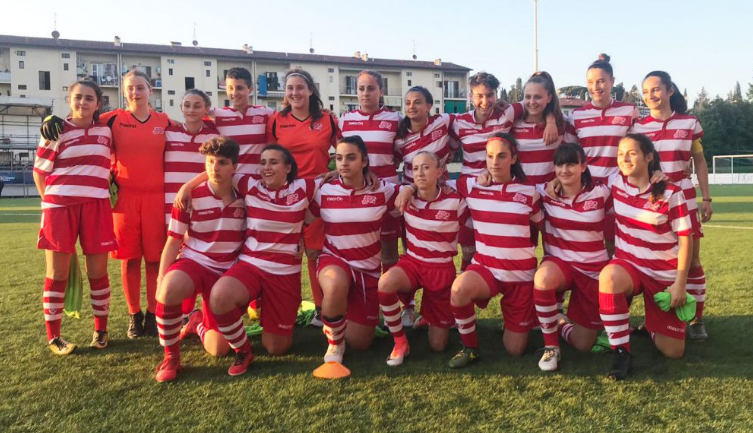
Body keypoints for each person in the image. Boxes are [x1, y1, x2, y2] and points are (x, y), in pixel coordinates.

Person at [41, 69, 172, 339]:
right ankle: (134, 316)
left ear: (150, 91)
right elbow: (79, 116)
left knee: (155, 259)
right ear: (123, 92)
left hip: (156, 199)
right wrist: (51, 119)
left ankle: (153, 314)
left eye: (140, 87)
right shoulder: (111, 119)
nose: (135, 92)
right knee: (129, 259)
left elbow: (191, 125)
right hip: (124, 200)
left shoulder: (165, 121)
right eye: (130, 88)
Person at [208, 145, 319, 376]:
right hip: (251, 265)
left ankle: (268, 315)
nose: (266, 167)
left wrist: (303, 228)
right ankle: (242, 350)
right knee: (219, 297)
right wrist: (186, 188)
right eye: (263, 162)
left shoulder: (305, 187)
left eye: (273, 162)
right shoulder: (249, 184)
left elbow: (338, 179)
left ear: (288, 168)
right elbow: (218, 172)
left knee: (277, 348)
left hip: (285, 273)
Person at [444, 132, 542, 368]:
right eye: (490, 156)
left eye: (501, 156)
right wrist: (407, 190)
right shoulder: (471, 185)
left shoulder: (530, 192)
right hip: (486, 269)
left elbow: (544, 228)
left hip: (520, 277)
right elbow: (434, 182)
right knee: (459, 289)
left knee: (515, 350)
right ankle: (470, 348)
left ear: (514, 158)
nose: (494, 162)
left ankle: (527, 319)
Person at [598, 134, 692, 380]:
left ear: (649, 157)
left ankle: (651, 325)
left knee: (673, 352)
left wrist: (680, 284)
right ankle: (621, 352)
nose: (625, 159)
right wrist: (555, 182)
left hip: (662, 274)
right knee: (609, 276)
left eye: (632, 153)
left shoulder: (670, 192)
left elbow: (685, 239)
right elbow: (579, 179)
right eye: (621, 154)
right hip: (629, 266)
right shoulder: (615, 182)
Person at [33, 80, 116, 354]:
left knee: (98, 273)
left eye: (89, 98)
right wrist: (51, 204)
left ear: (98, 103)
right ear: (69, 100)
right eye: (77, 97)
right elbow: (39, 172)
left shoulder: (107, 129)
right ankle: (54, 337)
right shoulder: (55, 130)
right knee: (57, 273)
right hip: (60, 207)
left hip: (97, 206)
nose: (83, 102)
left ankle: (100, 331)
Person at [154, 137, 245, 382]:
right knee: (169, 288)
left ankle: (196, 323)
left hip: (229, 271)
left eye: (222, 162)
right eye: (210, 161)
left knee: (219, 350)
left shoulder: (246, 194)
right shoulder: (189, 196)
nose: (215, 168)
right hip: (196, 261)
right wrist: (161, 278)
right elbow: (173, 241)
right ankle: (171, 356)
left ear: (234, 167)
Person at [630, 71, 711, 341]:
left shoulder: (689, 123)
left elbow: (699, 161)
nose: (650, 96)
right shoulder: (637, 128)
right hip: (653, 201)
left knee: (693, 262)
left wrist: (706, 198)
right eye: (645, 92)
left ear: (670, 91)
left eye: (655, 89)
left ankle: (697, 320)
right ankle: (655, 319)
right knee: (657, 262)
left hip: (685, 198)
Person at [308, 136, 400, 367]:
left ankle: (340, 318)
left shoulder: (383, 190)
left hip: (368, 269)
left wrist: (410, 189)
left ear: (364, 161)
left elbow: (409, 193)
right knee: (335, 285)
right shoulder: (323, 189)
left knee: (360, 343)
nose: (344, 163)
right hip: (334, 257)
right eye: (339, 158)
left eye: (351, 158)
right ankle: (335, 343)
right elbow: (302, 212)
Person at [451, 72, 557, 271]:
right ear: (471, 96)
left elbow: (539, 103)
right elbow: (448, 150)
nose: (485, 101)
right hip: (470, 190)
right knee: (468, 250)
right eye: (479, 96)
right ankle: (468, 283)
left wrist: (551, 121)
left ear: (496, 94)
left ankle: (520, 278)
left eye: (490, 95)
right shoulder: (458, 122)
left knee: (511, 244)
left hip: (498, 188)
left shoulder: (507, 114)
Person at [379, 151, 469, 366]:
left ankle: (430, 315)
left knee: (437, 347)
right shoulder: (404, 195)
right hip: (413, 263)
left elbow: (474, 224)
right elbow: (367, 183)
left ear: (440, 172)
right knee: (385, 283)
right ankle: (400, 342)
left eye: (426, 168)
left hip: (441, 270)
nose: (419, 173)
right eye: (415, 168)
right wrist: (408, 188)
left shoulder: (455, 200)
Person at [267, 68, 339, 326]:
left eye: (300, 87)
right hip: (285, 193)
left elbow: (345, 150)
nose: (295, 92)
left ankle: (320, 308)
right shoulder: (276, 120)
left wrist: (336, 171)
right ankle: (287, 307)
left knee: (315, 252)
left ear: (310, 90)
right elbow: (269, 156)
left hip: (317, 192)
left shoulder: (328, 119)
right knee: (287, 253)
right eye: (290, 88)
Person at [532, 143, 611, 371]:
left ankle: (559, 323)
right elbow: (512, 185)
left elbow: (633, 182)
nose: (564, 170)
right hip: (560, 264)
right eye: (559, 165)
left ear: (583, 166)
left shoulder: (602, 192)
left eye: (570, 164)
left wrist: (657, 171)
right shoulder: (543, 192)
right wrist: (486, 174)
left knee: (583, 345)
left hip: (593, 272)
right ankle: (551, 347)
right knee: (543, 278)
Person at [339, 70, 406, 320]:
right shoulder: (345, 120)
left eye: (371, 88)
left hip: (386, 193)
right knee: (358, 251)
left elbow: (400, 154)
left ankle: (392, 304)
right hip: (355, 195)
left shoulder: (395, 119)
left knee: (389, 252)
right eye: (361, 88)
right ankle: (362, 304)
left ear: (381, 91)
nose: (365, 93)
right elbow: (342, 155)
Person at [566, 54, 638, 255]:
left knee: (615, 242)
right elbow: (570, 155)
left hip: (620, 186)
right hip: (588, 186)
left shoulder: (628, 111)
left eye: (601, 81)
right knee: (588, 241)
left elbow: (640, 149)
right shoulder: (577, 116)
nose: (596, 87)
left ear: (612, 81)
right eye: (590, 82)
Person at [163, 89, 220, 318]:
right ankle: (179, 312)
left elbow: (216, 167)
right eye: (187, 105)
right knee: (174, 259)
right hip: (171, 206)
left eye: (197, 105)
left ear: (206, 109)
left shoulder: (214, 136)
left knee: (198, 259)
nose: (191, 110)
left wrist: (189, 185)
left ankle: (198, 312)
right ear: (181, 108)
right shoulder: (168, 133)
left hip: (203, 208)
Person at [210, 67, 274, 178]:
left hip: (258, 182)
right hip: (229, 182)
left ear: (250, 89)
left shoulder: (266, 113)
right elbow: (191, 119)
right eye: (230, 88)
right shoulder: (216, 115)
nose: (234, 93)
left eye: (239, 88)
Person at [513, 72, 569, 185]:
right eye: (528, 97)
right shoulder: (513, 125)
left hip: (550, 192)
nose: (532, 102)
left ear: (549, 98)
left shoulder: (563, 125)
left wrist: (558, 181)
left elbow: (571, 159)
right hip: (521, 191)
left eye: (538, 97)